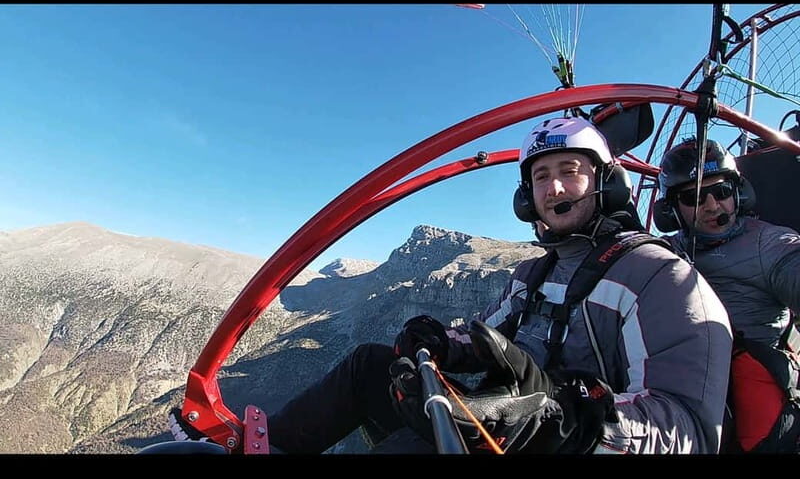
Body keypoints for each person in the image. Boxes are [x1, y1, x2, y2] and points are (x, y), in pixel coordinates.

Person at [170, 116, 733, 454]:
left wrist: (564, 420)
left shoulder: (662, 279)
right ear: (525, 199)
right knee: (370, 364)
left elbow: (689, 427)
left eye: (571, 170)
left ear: (605, 183)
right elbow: (488, 335)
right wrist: (446, 342)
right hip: (501, 426)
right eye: (541, 176)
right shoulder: (532, 274)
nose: (555, 185)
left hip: (564, 444)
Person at [654, 138, 800, 453]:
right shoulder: (663, 252)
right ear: (670, 210)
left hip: (751, 386)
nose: (711, 206)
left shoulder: (770, 244)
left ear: (739, 192)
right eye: (693, 197)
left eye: (720, 192)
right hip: (682, 384)